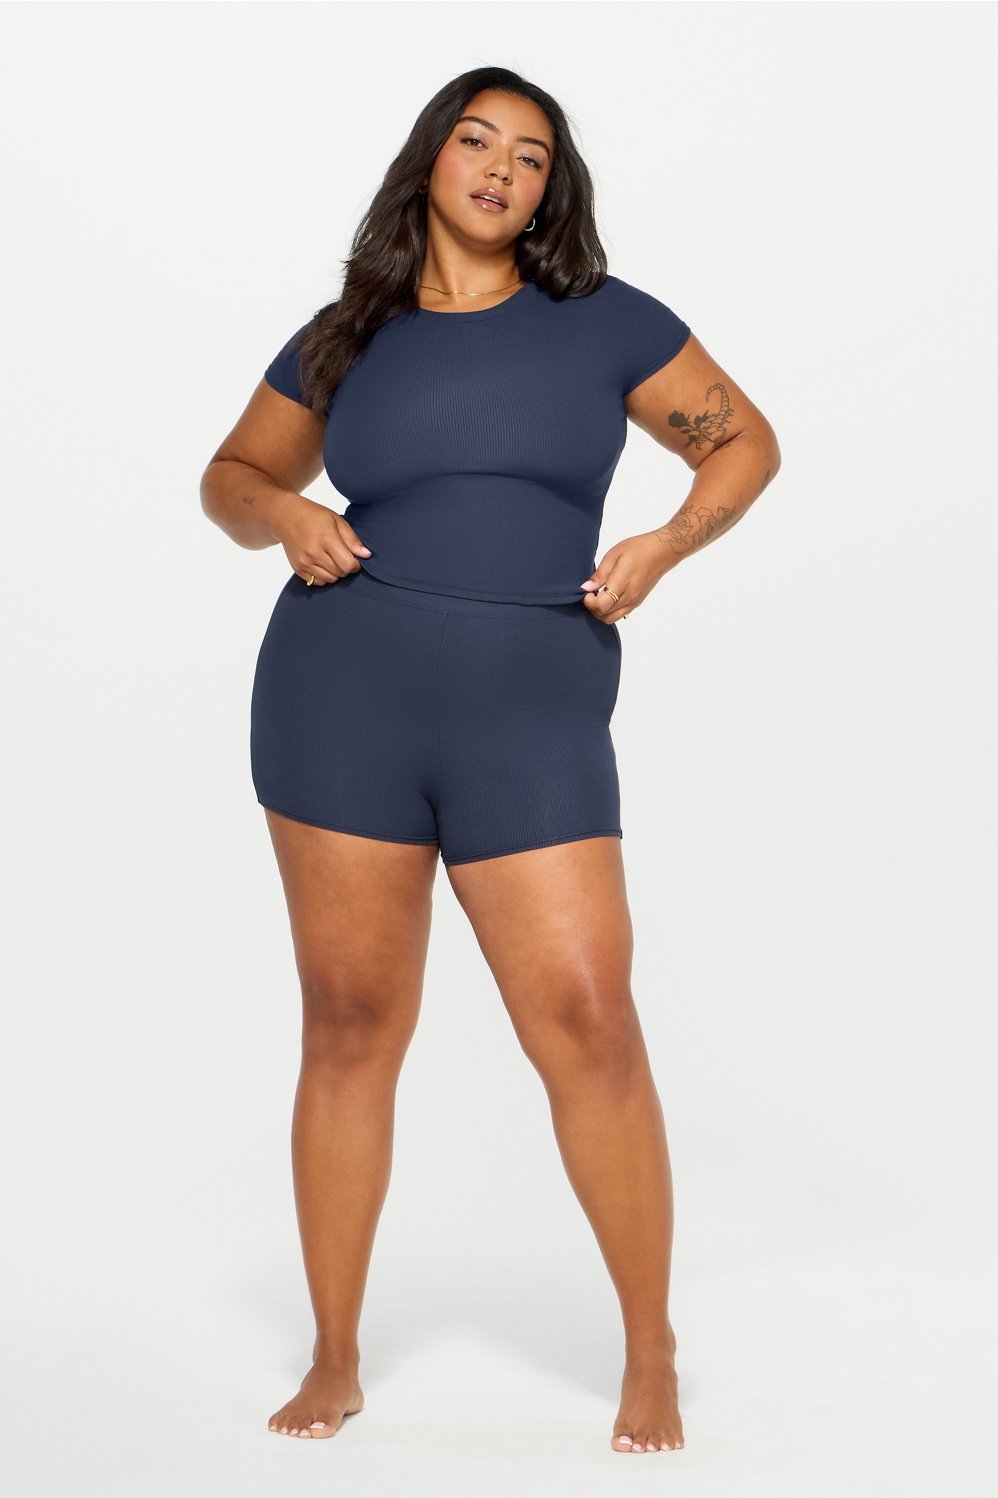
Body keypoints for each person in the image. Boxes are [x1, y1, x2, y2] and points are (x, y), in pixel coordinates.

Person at [200, 65, 780, 1456]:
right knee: (350, 1021)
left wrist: (663, 544)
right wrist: (286, 513)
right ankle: (335, 1353)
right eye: (477, 140)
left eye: (530, 155)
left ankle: (650, 1348)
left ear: (547, 190)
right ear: (432, 159)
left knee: (587, 1018)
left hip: (531, 708)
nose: (501, 169)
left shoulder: (607, 321)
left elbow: (746, 446)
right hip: (341, 694)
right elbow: (228, 479)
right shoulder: (346, 335)